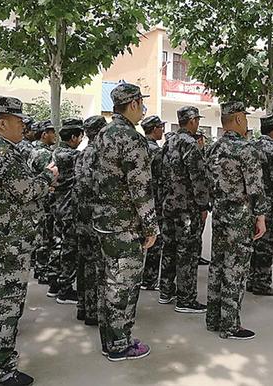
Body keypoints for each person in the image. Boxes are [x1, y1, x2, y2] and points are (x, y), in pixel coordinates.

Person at [0, 95, 57, 386]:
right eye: (19, 121)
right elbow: (26, 190)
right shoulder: (2, 152)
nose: (23, 127)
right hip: (5, 241)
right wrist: (47, 177)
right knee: (4, 306)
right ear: (2, 123)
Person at [91, 81, 158, 361]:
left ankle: (110, 340)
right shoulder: (131, 138)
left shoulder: (102, 133)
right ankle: (120, 344)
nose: (143, 108)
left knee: (108, 284)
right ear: (133, 104)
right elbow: (140, 187)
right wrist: (151, 226)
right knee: (124, 287)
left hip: (104, 222)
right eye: (141, 103)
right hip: (125, 226)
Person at [206, 102, 267, 340]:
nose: (247, 122)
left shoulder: (213, 148)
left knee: (217, 265)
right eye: (245, 118)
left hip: (219, 213)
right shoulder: (246, 149)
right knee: (236, 269)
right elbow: (255, 187)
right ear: (239, 119)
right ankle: (230, 325)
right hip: (240, 217)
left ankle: (213, 318)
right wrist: (260, 216)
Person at [159, 106, 210, 313]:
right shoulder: (189, 143)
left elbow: (160, 172)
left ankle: (165, 291)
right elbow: (198, 178)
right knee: (187, 252)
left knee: (169, 248)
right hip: (187, 208)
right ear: (192, 121)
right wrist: (203, 205)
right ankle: (186, 299)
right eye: (197, 120)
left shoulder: (169, 141)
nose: (197, 123)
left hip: (169, 205)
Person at [248, 113, 273, 296]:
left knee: (255, 242)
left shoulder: (252, 146)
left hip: (253, 204)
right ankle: (262, 283)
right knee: (268, 246)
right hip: (270, 205)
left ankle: (251, 279)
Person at [74, 115, 107, 325]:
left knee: (84, 262)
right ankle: (94, 311)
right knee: (97, 265)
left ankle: (83, 306)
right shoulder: (101, 154)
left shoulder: (83, 153)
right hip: (96, 216)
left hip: (82, 215)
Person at [49, 118, 84, 304]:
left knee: (58, 244)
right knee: (69, 249)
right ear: (73, 137)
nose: (80, 140)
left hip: (57, 205)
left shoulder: (55, 152)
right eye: (80, 137)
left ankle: (54, 284)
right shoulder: (73, 156)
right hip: (69, 207)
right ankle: (65, 290)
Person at [28, 119, 57, 284]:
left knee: (41, 233)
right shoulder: (45, 154)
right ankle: (42, 270)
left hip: (36, 198)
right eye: (52, 132)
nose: (54, 135)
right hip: (44, 198)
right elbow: (51, 177)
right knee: (46, 236)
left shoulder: (33, 150)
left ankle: (39, 268)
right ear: (44, 134)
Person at [140, 115, 166, 290]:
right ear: (155, 129)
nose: (162, 131)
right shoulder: (156, 152)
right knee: (155, 241)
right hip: (155, 200)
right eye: (160, 127)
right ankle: (149, 279)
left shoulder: (139, 147)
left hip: (141, 200)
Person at [193, 131, 211, 266]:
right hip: (196, 202)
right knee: (197, 231)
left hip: (198, 200)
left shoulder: (201, 153)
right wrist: (203, 205)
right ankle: (195, 255)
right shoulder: (196, 155)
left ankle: (197, 254)